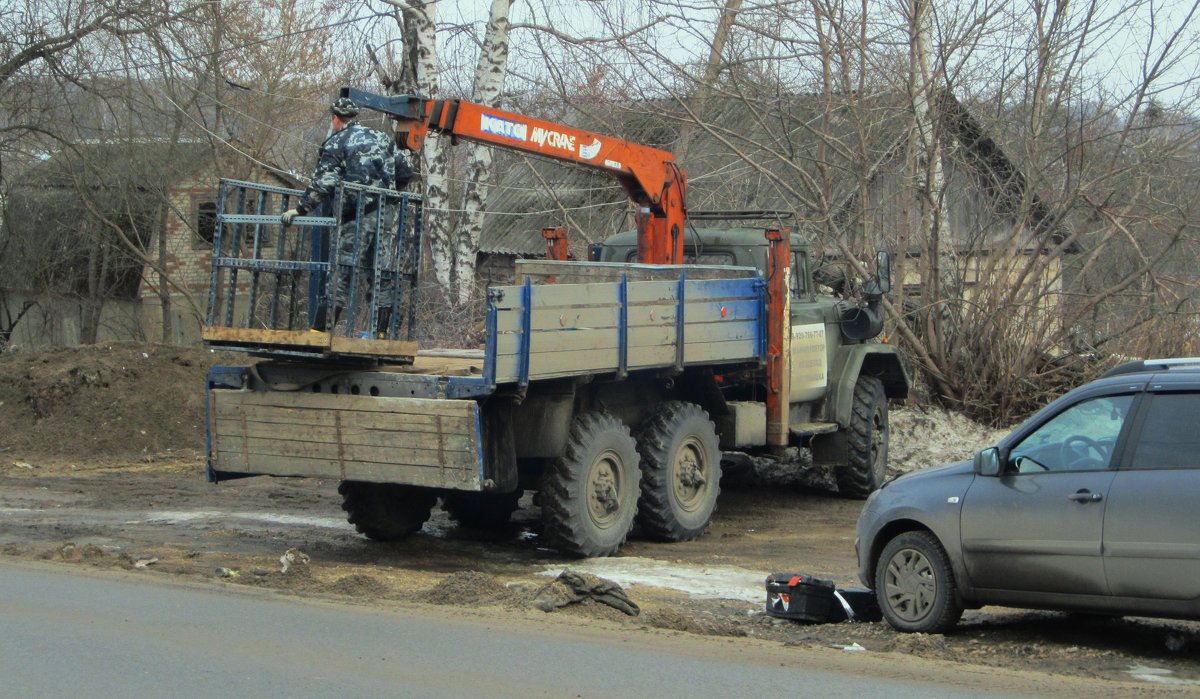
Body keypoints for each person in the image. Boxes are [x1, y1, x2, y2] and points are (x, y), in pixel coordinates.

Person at [282, 97, 410, 333]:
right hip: (386, 213)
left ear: (335, 119)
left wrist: (300, 209)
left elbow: (325, 181)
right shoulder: (382, 138)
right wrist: (390, 192)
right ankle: (381, 333)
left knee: (342, 271)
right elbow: (405, 170)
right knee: (381, 271)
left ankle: (320, 331)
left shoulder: (336, 143)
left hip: (356, 216)